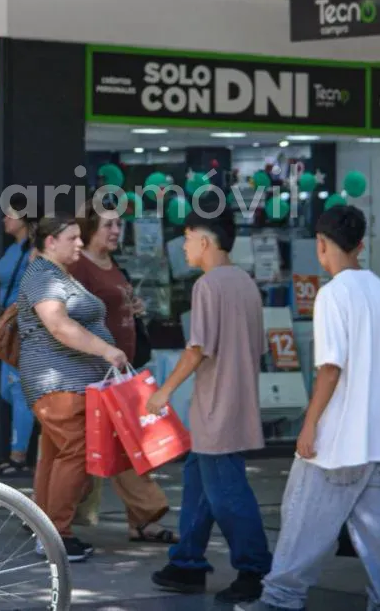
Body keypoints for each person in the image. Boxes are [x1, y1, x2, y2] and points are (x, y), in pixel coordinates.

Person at [234, 206, 380, 611]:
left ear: (320, 243)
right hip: (378, 436)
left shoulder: (332, 294)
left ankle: (279, 600)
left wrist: (309, 425)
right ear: (361, 245)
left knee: (302, 520)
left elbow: (331, 368)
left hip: (339, 438)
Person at [147, 210, 271, 605]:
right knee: (200, 484)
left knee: (227, 494)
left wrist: (163, 391)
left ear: (204, 240)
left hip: (216, 407)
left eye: (186, 238)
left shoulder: (208, 286)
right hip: (235, 402)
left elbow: (198, 348)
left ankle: (255, 570)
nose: (182, 247)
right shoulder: (247, 284)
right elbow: (259, 348)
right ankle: (186, 562)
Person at [18, 213, 128, 562]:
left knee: (55, 456)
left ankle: (46, 529)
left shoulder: (56, 274)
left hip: (65, 383)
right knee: (76, 453)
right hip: (58, 381)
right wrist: (106, 349)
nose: (80, 243)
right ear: (50, 242)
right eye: (73, 237)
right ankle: (57, 535)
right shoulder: (42, 275)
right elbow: (59, 326)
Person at [71, 202, 177, 545]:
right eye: (108, 226)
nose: (116, 231)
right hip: (95, 373)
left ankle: (56, 514)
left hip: (121, 373)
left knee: (126, 446)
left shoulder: (111, 264)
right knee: (117, 448)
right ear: (90, 229)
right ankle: (147, 513)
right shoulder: (80, 267)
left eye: (119, 225)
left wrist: (134, 308)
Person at [0, 197, 36, 477]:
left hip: (22, 326)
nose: (5, 219)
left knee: (18, 390)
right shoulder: (15, 249)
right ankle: (18, 451)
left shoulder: (33, 252)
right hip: (9, 324)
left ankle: (18, 455)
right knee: (9, 390)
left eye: (10, 215)